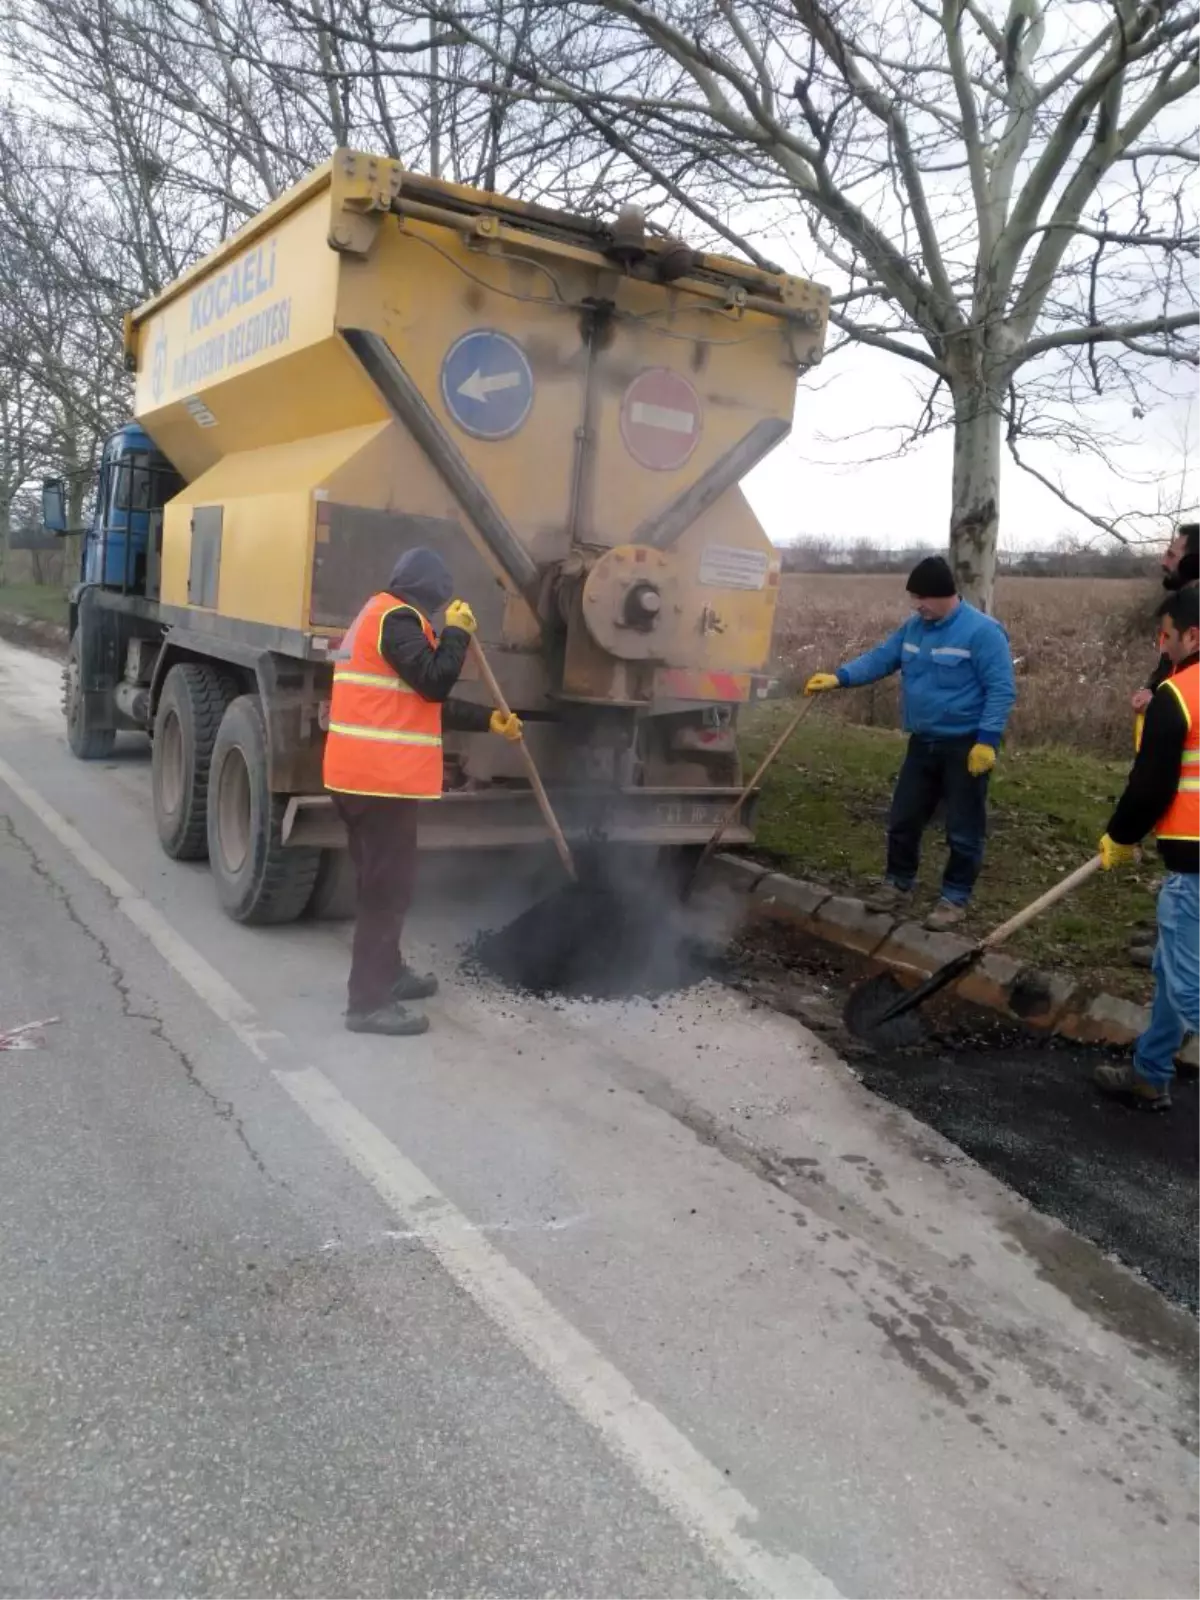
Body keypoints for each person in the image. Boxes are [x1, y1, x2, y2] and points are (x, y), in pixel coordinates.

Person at [323, 547, 522, 1036]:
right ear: (431, 590)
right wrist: (457, 634)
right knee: (385, 893)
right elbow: (434, 682)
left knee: (382, 885)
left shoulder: (382, 619)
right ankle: (367, 1004)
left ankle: (387, 975)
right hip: (378, 782)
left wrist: (488, 722)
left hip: (361, 777)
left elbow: (421, 702)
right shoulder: (397, 618)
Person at [805, 554, 1016, 932]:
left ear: (944, 595)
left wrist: (987, 742)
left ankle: (954, 898)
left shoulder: (983, 633)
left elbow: (1001, 690)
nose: (916, 605)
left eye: (922, 598)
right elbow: (881, 659)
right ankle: (898, 884)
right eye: (914, 598)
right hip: (923, 743)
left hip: (965, 746)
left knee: (963, 829)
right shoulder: (914, 628)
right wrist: (840, 678)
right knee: (904, 817)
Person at [1095, 585, 1200, 1110]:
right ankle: (1150, 1072)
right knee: (1170, 974)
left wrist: (1120, 836)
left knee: (1189, 989)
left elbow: (1151, 785)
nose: (1163, 644)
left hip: (1195, 868)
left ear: (1192, 635)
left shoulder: (1178, 695)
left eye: (1166, 635)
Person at [1127, 522, 1200, 968]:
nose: (1164, 559)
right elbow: (1172, 668)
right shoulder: (1181, 611)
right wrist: (1156, 691)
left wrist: (1123, 832)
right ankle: (1170, 938)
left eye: (1173, 553)